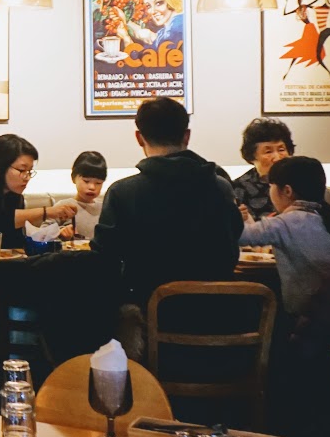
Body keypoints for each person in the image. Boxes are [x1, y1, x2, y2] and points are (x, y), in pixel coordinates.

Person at [93, 97, 242, 357]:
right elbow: (231, 252)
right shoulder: (221, 188)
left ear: (139, 138)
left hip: (148, 327)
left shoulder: (122, 192)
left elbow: (104, 260)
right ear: (187, 135)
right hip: (221, 324)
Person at [239, 156, 330, 316]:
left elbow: (236, 236)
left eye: (271, 186)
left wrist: (230, 215)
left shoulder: (284, 224)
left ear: (287, 191)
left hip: (305, 320)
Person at [231, 117, 294, 221]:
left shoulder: (300, 181)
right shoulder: (238, 187)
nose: (277, 158)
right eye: (268, 152)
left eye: (281, 149)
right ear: (252, 156)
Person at [112, 0, 184, 49]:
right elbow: (154, 38)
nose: (152, 11)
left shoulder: (176, 30)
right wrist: (125, 21)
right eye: (148, 6)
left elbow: (144, 56)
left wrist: (126, 38)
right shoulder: (172, 26)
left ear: (171, 0)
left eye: (158, 3)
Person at [52, 151, 107, 241]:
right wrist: (60, 232)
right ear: (73, 178)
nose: (92, 187)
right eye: (86, 181)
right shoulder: (64, 206)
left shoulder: (104, 208)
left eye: (98, 183)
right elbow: (43, 232)